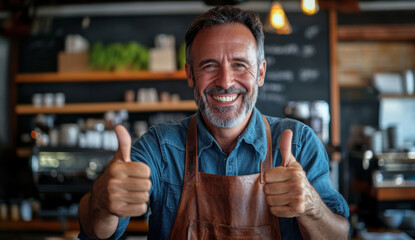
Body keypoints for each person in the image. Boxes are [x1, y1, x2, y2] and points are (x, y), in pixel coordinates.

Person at [78, 5, 349, 240]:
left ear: (261, 73)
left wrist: (311, 206)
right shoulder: (160, 147)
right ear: (190, 75)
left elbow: (339, 234)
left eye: (240, 64)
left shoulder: (298, 142)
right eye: (209, 66)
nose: (226, 81)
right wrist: (102, 203)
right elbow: (96, 233)